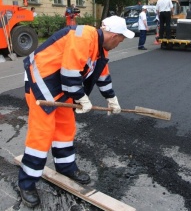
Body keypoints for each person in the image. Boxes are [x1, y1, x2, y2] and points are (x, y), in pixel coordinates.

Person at [17, 16, 135, 208]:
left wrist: (112, 99)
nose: (120, 43)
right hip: (42, 82)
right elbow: (70, 72)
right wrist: (82, 98)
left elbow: (102, 76)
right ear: (114, 35)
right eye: (121, 39)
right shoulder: (83, 36)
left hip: (61, 85)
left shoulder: (100, 48)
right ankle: (27, 183)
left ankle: (65, 167)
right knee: (41, 135)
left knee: (65, 128)